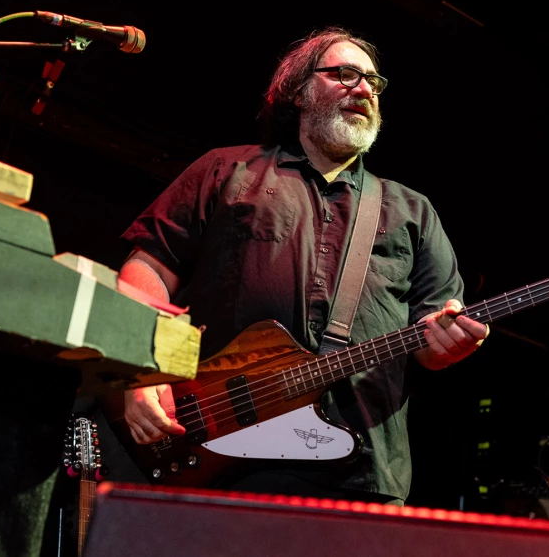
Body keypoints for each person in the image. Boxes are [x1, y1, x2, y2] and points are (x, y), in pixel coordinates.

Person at [116, 26, 489, 506]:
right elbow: (146, 272)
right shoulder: (226, 171)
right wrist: (140, 372)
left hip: (362, 473)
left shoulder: (411, 211)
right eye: (347, 74)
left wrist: (450, 344)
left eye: (373, 82)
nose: (364, 89)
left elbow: (432, 346)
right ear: (298, 91)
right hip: (216, 455)